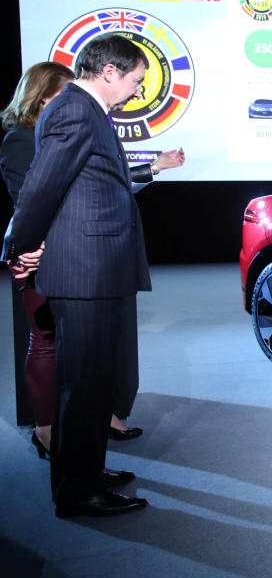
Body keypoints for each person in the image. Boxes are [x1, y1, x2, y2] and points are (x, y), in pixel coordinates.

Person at [3, 35, 156, 517]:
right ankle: (77, 491)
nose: (136, 89)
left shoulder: (83, 109)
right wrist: (19, 246)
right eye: (134, 79)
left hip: (97, 268)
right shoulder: (75, 108)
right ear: (109, 71)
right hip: (85, 270)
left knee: (90, 382)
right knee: (84, 384)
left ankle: (85, 469)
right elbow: (41, 186)